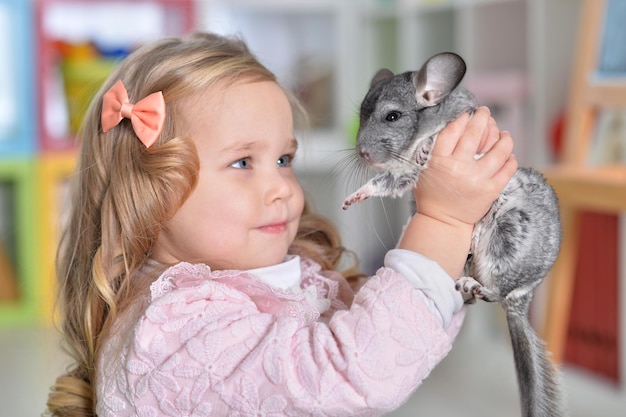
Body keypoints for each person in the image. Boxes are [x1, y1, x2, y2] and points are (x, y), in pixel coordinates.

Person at [46, 32, 517, 417]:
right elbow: (353, 372)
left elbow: (393, 329)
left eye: (284, 158)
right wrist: (442, 220)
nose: (282, 189)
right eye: (242, 163)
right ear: (149, 190)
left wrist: (466, 232)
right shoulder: (172, 329)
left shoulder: (266, 274)